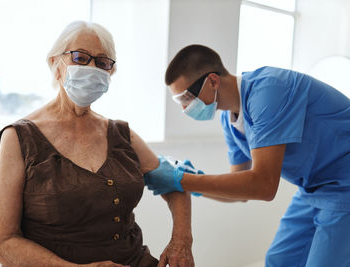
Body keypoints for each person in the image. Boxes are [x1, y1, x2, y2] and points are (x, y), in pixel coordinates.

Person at [0, 21, 195, 267]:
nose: (91, 67)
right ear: (55, 63)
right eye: (80, 57)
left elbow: (174, 183)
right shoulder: (19, 138)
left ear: (110, 73)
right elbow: (1, 242)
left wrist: (181, 241)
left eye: (102, 62)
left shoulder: (121, 134)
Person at [144, 44, 350, 267]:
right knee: (279, 260)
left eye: (185, 98)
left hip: (344, 186)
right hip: (313, 188)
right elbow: (241, 192)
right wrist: (192, 180)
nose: (185, 108)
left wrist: (183, 180)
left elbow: (263, 185)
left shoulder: (269, 90)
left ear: (213, 81)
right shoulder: (229, 120)